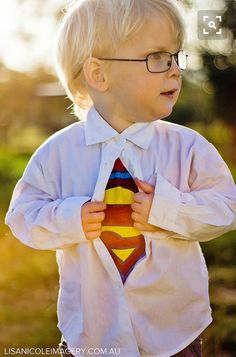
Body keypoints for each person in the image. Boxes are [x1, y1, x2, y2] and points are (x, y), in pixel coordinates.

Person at [5, 0, 236, 356]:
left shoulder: (188, 147)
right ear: (99, 74)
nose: (175, 70)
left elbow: (226, 207)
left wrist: (170, 210)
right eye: (156, 57)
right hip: (93, 334)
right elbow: (22, 216)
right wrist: (70, 218)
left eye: (176, 56)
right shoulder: (58, 154)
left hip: (173, 332)